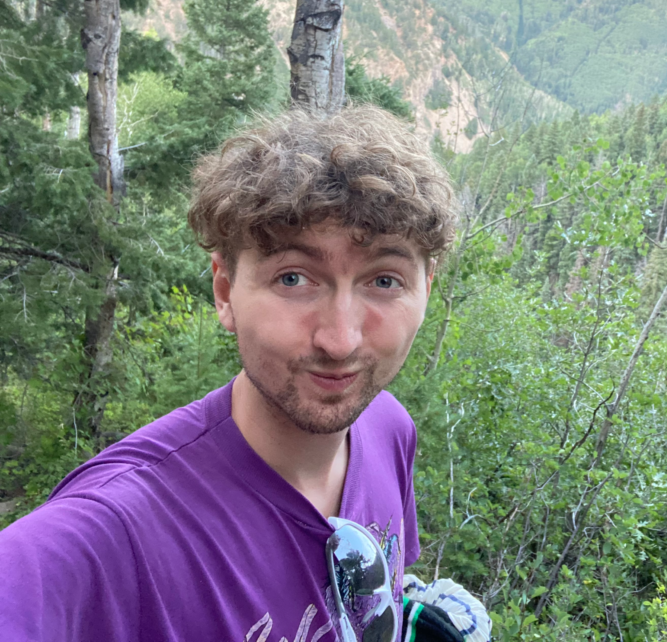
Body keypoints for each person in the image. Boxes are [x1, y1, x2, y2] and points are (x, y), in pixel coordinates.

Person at [0, 106, 460, 642]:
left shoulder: (388, 429)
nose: (341, 340)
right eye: (293, 277)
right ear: (224, 290)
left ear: (426, 286)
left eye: (384, 281)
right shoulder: (119, 530)